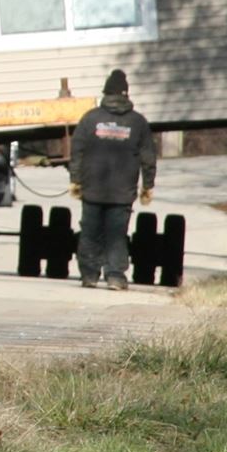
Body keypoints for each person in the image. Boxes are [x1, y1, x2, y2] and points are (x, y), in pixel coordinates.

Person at [69, 69, 157, 290]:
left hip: (92, 189)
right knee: (117, 235)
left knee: (90, 233)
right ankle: (115, 276)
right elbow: (148, 157)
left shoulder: (91, 119)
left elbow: (77, 151)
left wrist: (76, 180)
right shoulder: (137, 123)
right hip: (122, 192)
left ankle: (89, 275)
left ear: (106, 93)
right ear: (126, 94)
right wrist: (147, 186)